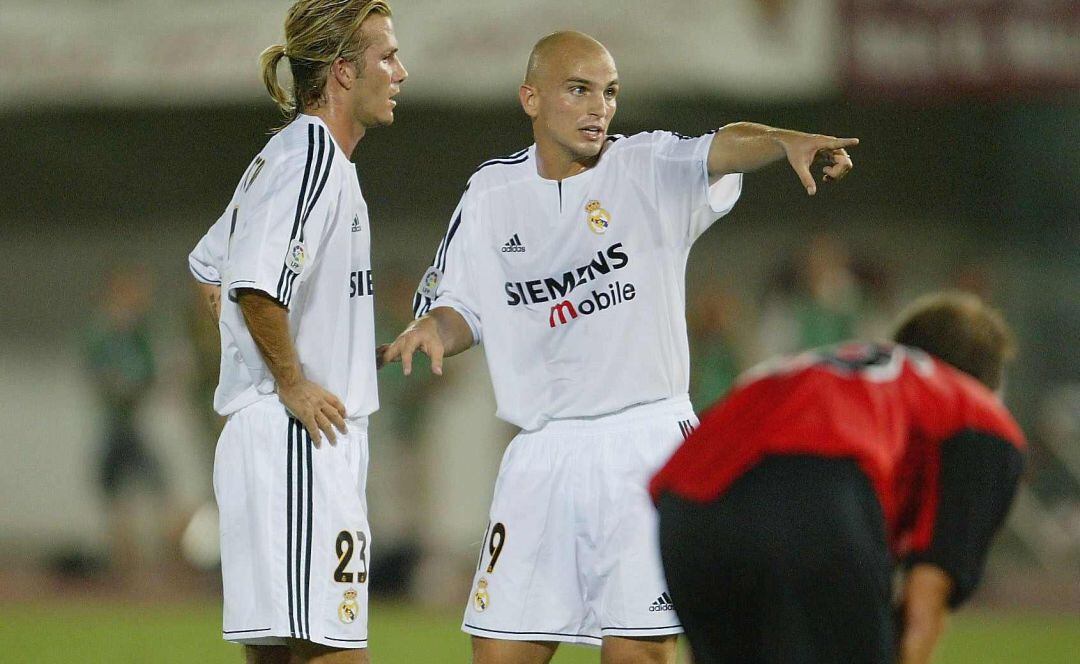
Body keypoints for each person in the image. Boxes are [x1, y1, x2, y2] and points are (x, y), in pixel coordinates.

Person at [382, 30, 857, 664]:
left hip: (646, 446)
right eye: (578, 90)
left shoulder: (646, 166)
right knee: (498, 656)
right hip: (541, 452)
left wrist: (780, 141)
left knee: (638, 655)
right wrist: (431, 331)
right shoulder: (491, 193)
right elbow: (462, 305)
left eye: (609, 93)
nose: (598, 107)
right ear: (531, 98)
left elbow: (719, 147)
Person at [187, 1, 406, 661]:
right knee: (335, 651)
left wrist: (323, 346)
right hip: (298, 445)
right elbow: (251, 284)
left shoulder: (293, 157)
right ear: (342, 72)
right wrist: (290, 380)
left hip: (283, 442)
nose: (400, 71)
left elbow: (210, 273)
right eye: (386, 56)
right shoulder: (312, 157)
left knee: (282, 654)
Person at [650, 291, 1026, 664]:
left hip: (684, 507)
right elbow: (924, 602)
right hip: (817, 493)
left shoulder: (826, 365)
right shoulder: (974, 411)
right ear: (987, 382)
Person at [84, 265, 178, 576]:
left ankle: (159, 566)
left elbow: (150, 374)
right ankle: (123, 569)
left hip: (134, 423)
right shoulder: (102, 332)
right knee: (118, 498)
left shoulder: (139, 334)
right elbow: (102, 375)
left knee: (157, 490)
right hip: (116, 425)